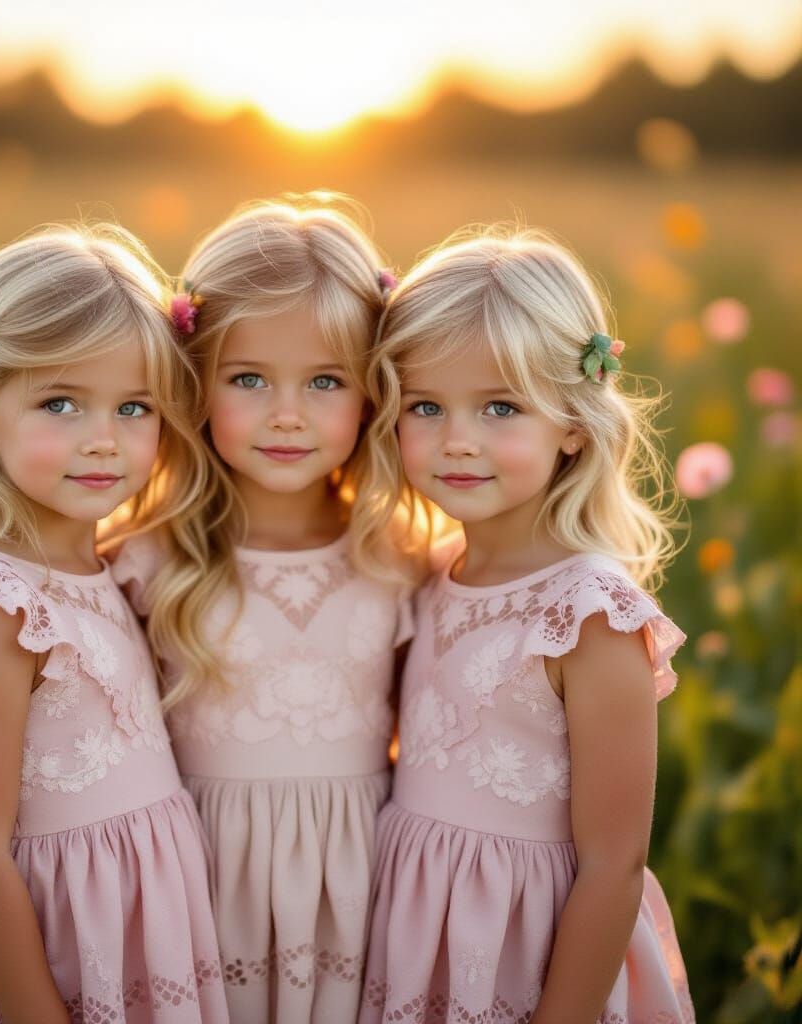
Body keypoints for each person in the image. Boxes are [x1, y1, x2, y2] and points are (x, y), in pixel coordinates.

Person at [0, 226, 228, 1023]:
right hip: (46, 950)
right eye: (60, 403)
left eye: (133, 407)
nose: (103, 438)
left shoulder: (118, 568)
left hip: (136, 929)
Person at [358, 228, 695, 1023]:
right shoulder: (432, 572)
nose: (458, 440)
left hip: (532, 955)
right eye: (426, 407)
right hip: (418, 940)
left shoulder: (588, 616)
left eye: (500, 407)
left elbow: (615, 863)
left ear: (573, 424)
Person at [108, 196, 421, 1022]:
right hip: (196, 888)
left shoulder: (405, 558)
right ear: (195, 385)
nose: (288, 414)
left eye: (325, 381)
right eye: (248, 379)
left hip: (358, 893)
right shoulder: (145, 563)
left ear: (372, 394)